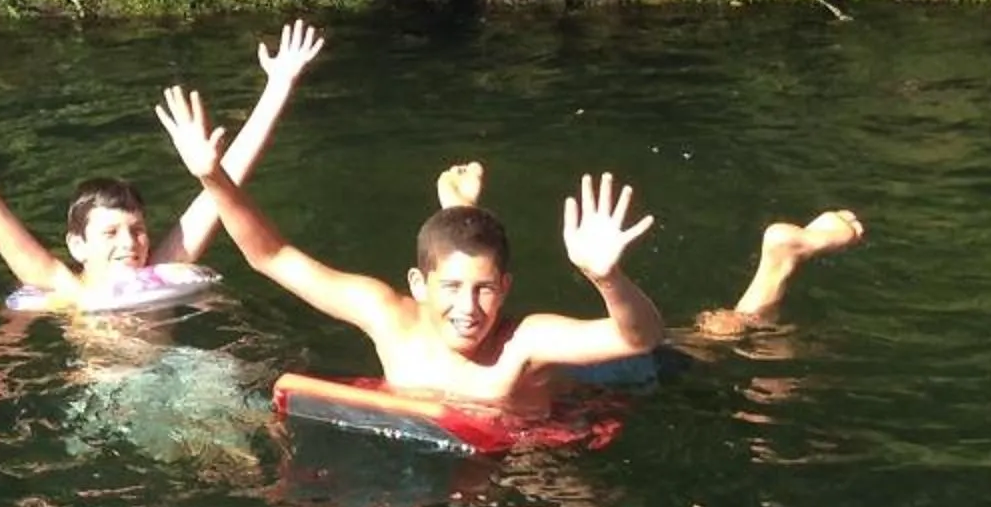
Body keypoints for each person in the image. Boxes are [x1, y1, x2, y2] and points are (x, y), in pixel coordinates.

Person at [152, 89, 860, 416]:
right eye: (455, 290)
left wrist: (606, 275)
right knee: (452, 257)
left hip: (609, 379)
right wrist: (211, 178)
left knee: (719, 350)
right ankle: (458, 212)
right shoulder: (387, 314)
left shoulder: (526, 343)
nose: (472, 311)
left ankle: (779, 262)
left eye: (488, 291)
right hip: (478, 397)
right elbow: (271, 255)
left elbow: (634, 339)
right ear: (417, 285)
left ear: (509, 287)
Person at [0, 23, 327, 304]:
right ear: (77, 245)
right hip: (108, 406)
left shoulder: (165, 266)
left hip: (179, 383)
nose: (131, 242)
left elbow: (223, 189)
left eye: (137, 229)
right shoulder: (66, 288)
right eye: (111, 232)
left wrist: (278, 86)